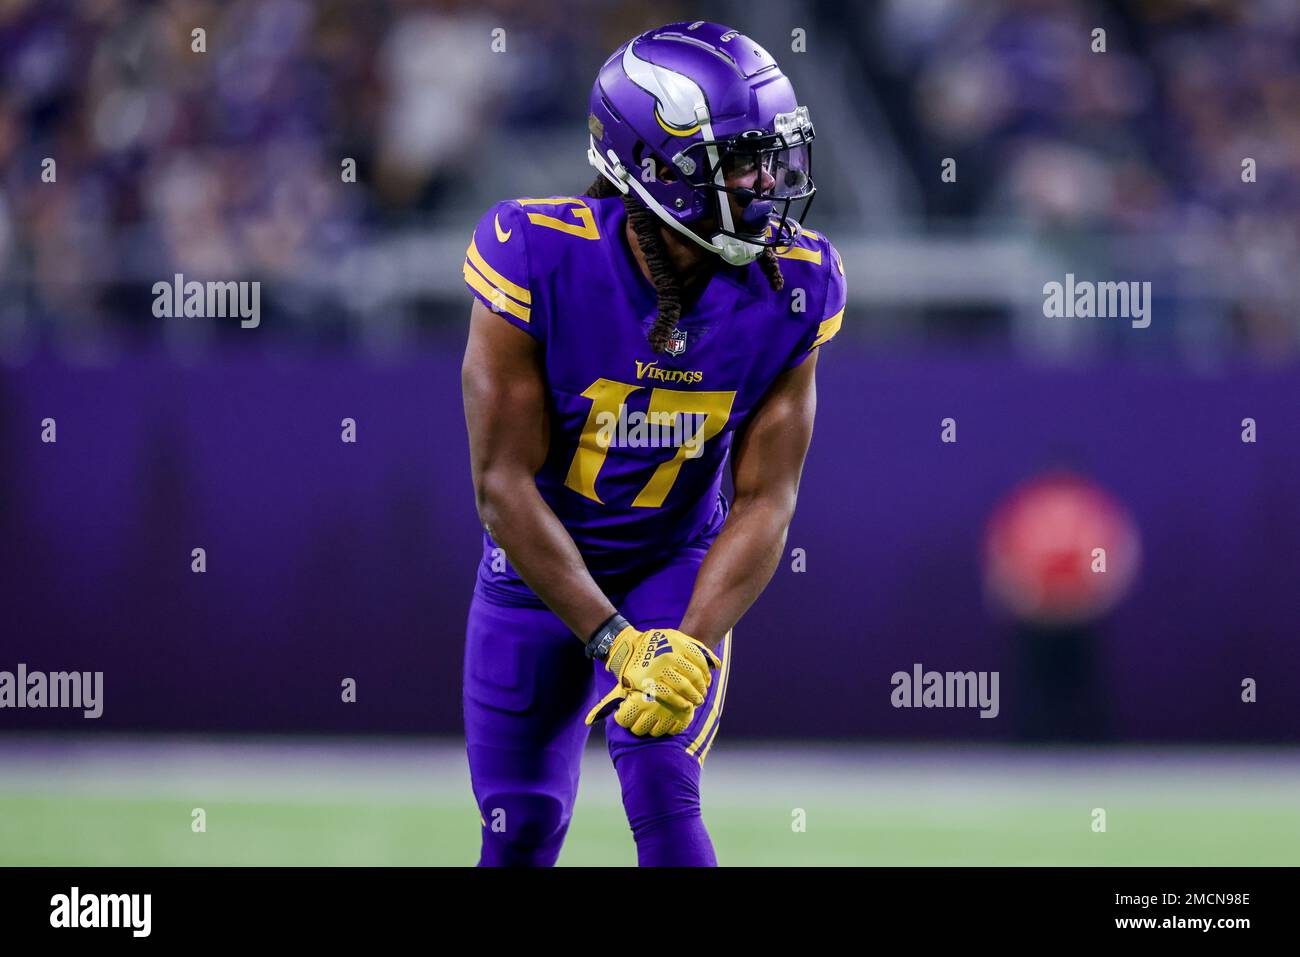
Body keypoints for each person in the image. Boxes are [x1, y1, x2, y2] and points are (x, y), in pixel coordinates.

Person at [460, 20, 845, 866]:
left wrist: (689, 640)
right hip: (535, 578)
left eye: (774, 154)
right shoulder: (535, 256)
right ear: (657, 170)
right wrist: (610, 639)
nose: (768, 181)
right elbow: (502, 488)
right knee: (518, 825)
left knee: (661, 788)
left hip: (676, 565)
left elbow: (767, 498)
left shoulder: (796, 284)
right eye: (742, 160)